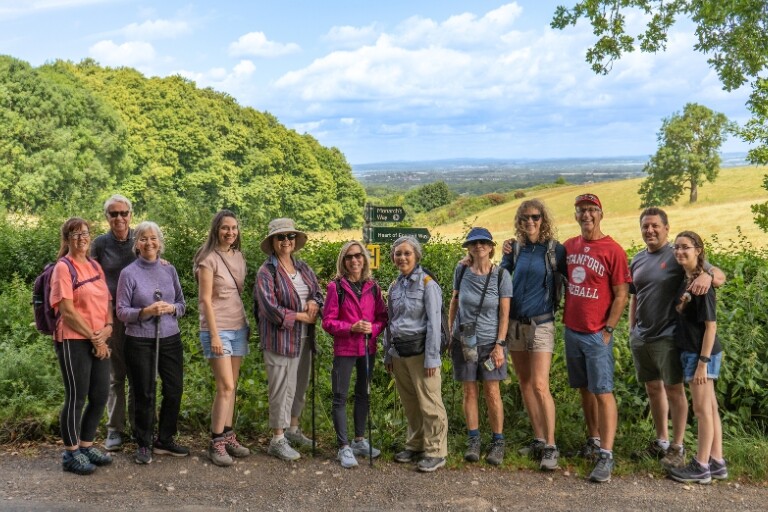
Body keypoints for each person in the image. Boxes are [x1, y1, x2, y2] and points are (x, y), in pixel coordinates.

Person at [629, 208, 725, 468]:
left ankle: (678, 446)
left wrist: (707, 274)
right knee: (652, 388)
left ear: (666, 228)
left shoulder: (677, 254)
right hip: (642, 337)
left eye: (655, 226)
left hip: (668, 337)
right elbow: (634, 295)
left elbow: (720, 276)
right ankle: (661, 440)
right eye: (645, 226)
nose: (650, 230)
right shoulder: (637, 259)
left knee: (674, 390)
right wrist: (631, 330)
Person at [563, 193, 631, 483]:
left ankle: (607, 454)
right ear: (576, 215)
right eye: (581, 210)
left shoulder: (612, 250)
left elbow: (621, 295)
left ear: (600, 214)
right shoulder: (568, 246)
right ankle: (592, 440)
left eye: (591, 210)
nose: (586, 215)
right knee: (585, 389)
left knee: (603, 391)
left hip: (596, 334)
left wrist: (608, 330)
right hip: (572, 330)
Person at [500, 200, 566, 470]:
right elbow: (500, 276)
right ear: (519, 220)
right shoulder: (515, 248)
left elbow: (576, 277)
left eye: (535, 217)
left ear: (543, 219)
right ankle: (539, 439)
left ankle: (551, 445)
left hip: (542, 324)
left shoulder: (554, 250)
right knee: (525, 383)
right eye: (525, 217)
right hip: (515, 323)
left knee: (540, 385)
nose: (530, 221)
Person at [116, 221, 188, 465]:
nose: (149, 243)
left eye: (153, 238)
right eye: (144, 238)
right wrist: (145, 312)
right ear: (136, 244)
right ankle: (144, 442)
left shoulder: (169, 270)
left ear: (160, 242)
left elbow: (182, 304)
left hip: (170, 337)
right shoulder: (129, 273)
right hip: (139, 340)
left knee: (174, 388)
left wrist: (171, 308)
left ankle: (165, 440)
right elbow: (121, 312)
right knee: (144, 392)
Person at [254, 218, 323, 462]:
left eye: (290, 236)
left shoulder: (302, 267)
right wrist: (302, 315)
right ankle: (277, 439)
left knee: (299, 386)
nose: (286, 241)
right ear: (272, 242)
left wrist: (315, 302)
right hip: (280, 339)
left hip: (304, 338)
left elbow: (317, 291)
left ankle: (293, 430)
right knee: (281, 388)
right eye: (280, 237)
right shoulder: (267, 272)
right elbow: (269, 308)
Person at [50, 217, 113, 475]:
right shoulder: (63, 268)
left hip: (99, 336)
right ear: (67, 239)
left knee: (99, 396)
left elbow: (107, 302)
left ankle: (86, 446)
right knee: (76, 396)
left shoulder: (96, 265)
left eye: (84, 233)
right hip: (73, 339)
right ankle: (71, 452)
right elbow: (67, 310)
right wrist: (95, 338)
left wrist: (107, 329)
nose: (81, 238)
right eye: (74, 234)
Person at [384, 236, 449, 473]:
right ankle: (416, 444)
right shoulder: (395, 286)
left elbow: (434, 322)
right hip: (400, 353)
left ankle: (436, 451)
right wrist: (388, 354)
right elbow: (390, 322)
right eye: (398, 253)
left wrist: (433, 357)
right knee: (411, 404)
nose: (402, 257)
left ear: (416, 256)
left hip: (422, 353)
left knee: (430, 403)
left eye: (407, 253)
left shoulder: (428, 283)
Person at [449, 227, 512, 466]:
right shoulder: (461, 269)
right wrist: (450, 332)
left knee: (492, 392)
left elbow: (505, 313)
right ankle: (473, 440)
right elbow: (454, 302)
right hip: (465, 338)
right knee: (469, 391)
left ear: (491, 247)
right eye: (474, 244)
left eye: (483, 243)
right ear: (468, 248)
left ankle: (497, 442)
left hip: (490, 342)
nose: (479, 247)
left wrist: (500, 345)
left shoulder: (501, 276)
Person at [322, 241, 388, 469]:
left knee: (363, 395)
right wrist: (351, 327)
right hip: (345, 349)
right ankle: (343, 447)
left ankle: (359, 440)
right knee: (340, 396)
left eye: (358, 256)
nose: (354, 260)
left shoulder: (373, 287)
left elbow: (382, 318)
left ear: (364, 259)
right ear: (343, 261)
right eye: (349, 257)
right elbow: (327, 322)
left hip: (368, 349)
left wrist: (374, 329)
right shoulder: (336, 288)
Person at [667, 231, 727, 484]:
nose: (680, 252)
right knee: (710, 409)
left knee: (702, 410)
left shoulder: (703, 285)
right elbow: (686, 310)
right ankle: (717, 461)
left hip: (700, 353)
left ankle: (701, 466)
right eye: (676, 247)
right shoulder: (689, 278)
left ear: (698, 250)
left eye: (686, 247)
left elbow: (710, 327)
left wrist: (702, 364)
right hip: (694, 350)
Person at [194, 210, 251, 467]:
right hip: (217, 329)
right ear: (216, 229)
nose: (230, 232)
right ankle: (216, 441)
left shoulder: (238, 256)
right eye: (225, 228)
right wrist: (215, 335)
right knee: (225, 386)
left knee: (233, 386)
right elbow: (205, 299)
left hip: (238, 326)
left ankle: (228, 435)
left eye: (234, 228)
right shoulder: (208, 259)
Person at [91, 194, 136, 451]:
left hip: (139, 319)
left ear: (130, 214)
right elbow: (90, 278)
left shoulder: (138, 239)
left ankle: (139, 427)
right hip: (111, 320)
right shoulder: (99, 244)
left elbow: (153, 259)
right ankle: (115, 429)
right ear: (106, 217)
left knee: (140, 375)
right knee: (116, 376)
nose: (119, 218)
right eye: (113, 214)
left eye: (123, 213)